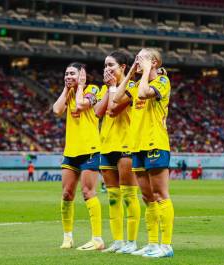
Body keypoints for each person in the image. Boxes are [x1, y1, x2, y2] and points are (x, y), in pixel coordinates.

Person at [114, 48, 174, 258]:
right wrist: (131, 73)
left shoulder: (162, 82)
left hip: (155, 143)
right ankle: (152, 243)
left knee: (160, 195)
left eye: (142, 58)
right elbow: (117, 98)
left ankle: (166, 245)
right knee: (147, 197)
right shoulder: (137, 82)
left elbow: (142, 94)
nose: (137, 60)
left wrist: (147, 69)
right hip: (137, 146)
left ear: (155, 62)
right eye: (136, 58)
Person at [53, 62, 104, 251]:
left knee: (88, 192)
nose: (68, 76)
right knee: (67, 194)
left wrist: (80, 86)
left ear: (82, 74)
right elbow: (57, 110)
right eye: (66, 73)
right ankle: (67, 237)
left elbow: (82, 105)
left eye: (72, 73)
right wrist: (67, 89)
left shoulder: (93, 89)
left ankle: (97, 238)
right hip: (71, 151)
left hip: (90, 148)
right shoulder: (68, 93)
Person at [94, 51, 141, 254]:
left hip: (126, 145)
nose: (107, 69)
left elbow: (113, 109)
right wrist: (108, 88)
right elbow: (97, 112)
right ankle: (118, 240)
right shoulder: (109, 88)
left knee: (129, 196)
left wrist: (112, 87)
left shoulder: (131, 87)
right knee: (113, 197)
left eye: (111, 65)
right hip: (106, 144)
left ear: (123, 67)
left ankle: (132, 241)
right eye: (105, 66)